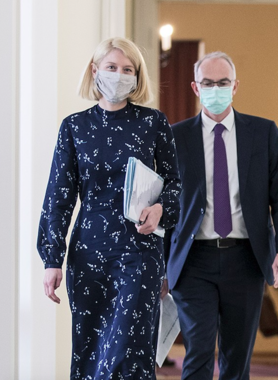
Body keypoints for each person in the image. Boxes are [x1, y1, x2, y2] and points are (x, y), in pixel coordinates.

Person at [37, 37, 181, 379]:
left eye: (127, 69)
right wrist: (51, 259)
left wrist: (161, 209)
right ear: (95, 71)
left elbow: (177, 186)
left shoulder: (154, 123)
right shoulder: (74, 127)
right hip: (88, 255)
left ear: (137, 76)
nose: (119, 75)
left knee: (128, 349)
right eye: (112, 67)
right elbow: (58, 196)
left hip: (140, 253)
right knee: (90, 350)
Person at [164, 51, 278, 380]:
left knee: (237, 356)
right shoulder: (175, 137)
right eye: (208, 83)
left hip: (246, 259)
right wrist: (161, 261)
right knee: (197, 350)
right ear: (196, 88)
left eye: (222, 82)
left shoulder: (264, 134)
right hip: (194, 260)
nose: (215, 89)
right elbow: (165, 204)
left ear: (235, 86)